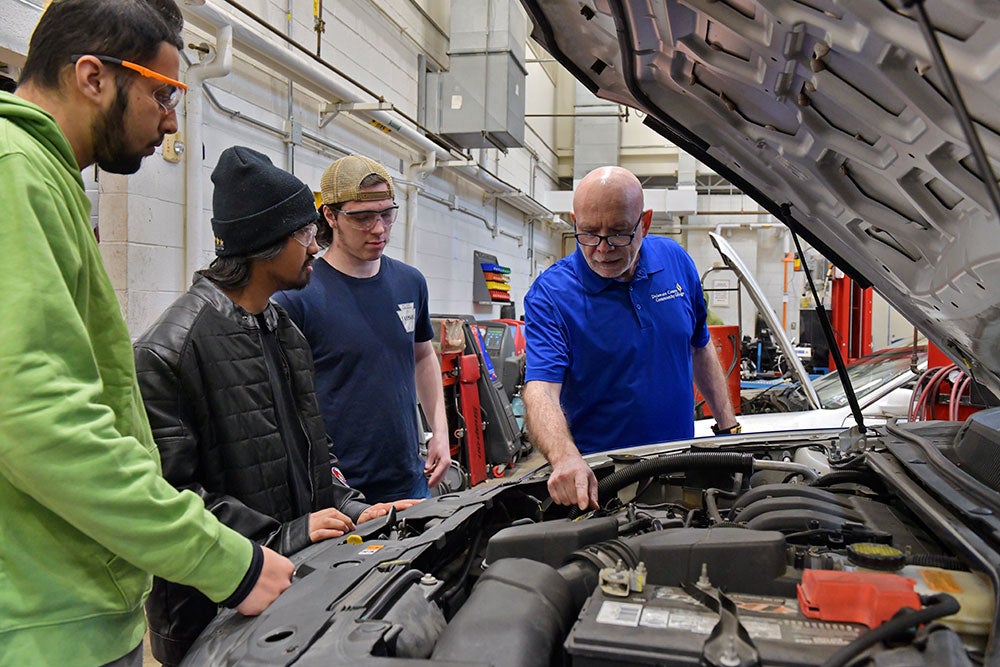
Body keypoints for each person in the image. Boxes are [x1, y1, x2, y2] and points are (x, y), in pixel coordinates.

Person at [0, 2, 292, 665]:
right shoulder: (15, 171)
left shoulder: (47, 178)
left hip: (72, 606)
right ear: (92, 77)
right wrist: (224, 560)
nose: (171, 120)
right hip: (42, 626)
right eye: (163, 94)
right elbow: (35, 417)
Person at [133, 145, 419, 664]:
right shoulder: (169, 352)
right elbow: (166, 499)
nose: (316, 245)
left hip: (292, 589)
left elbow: (313, 452)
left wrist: (356, 509)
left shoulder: (281, 328)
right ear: (265, 243)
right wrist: (285, 535)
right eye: (306, 233)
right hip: (211, 616)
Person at [523, 166, 739, 511]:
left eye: (618, 233)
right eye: (589, 233)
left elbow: (699, 346)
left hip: (681, 465)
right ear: (574, 222)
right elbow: (541, 390)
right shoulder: (551, 295)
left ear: (645, 223)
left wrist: (727, 427)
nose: (602, 248)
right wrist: (564, 457)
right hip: (604, 483)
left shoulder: (676, 261)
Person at [273, 154, 451, 503]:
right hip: (338, 493)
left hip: (410, 480)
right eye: (363, 217)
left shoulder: (410, 283)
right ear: (330, 216)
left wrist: (439, 432)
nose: (379, 229)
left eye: (386, 214)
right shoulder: (297, 297)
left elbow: (422, 356)